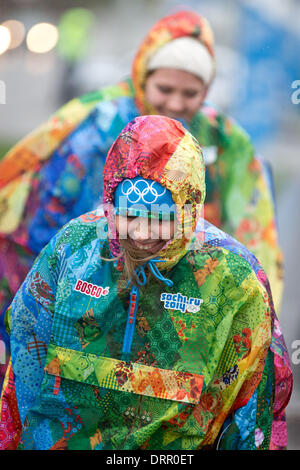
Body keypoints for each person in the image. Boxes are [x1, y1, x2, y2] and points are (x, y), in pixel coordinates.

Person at [0, 10, 283, 389]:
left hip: (183, 295)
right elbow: (47, 211)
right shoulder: (100, 124)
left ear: (207, 90)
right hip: (100, 282)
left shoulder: (225, 140)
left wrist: (243, 301)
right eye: (165, 89)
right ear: (142, 78)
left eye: (191, 93)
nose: (176, 102)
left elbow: (253, 227)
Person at [0, 116, 292, 450]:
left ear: (187, 211)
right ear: (111, 206)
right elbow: (23, 365)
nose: (140, 234)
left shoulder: (232, 279)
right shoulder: (74, 248)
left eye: (159, 219)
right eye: (129, 216)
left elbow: (253, 410)